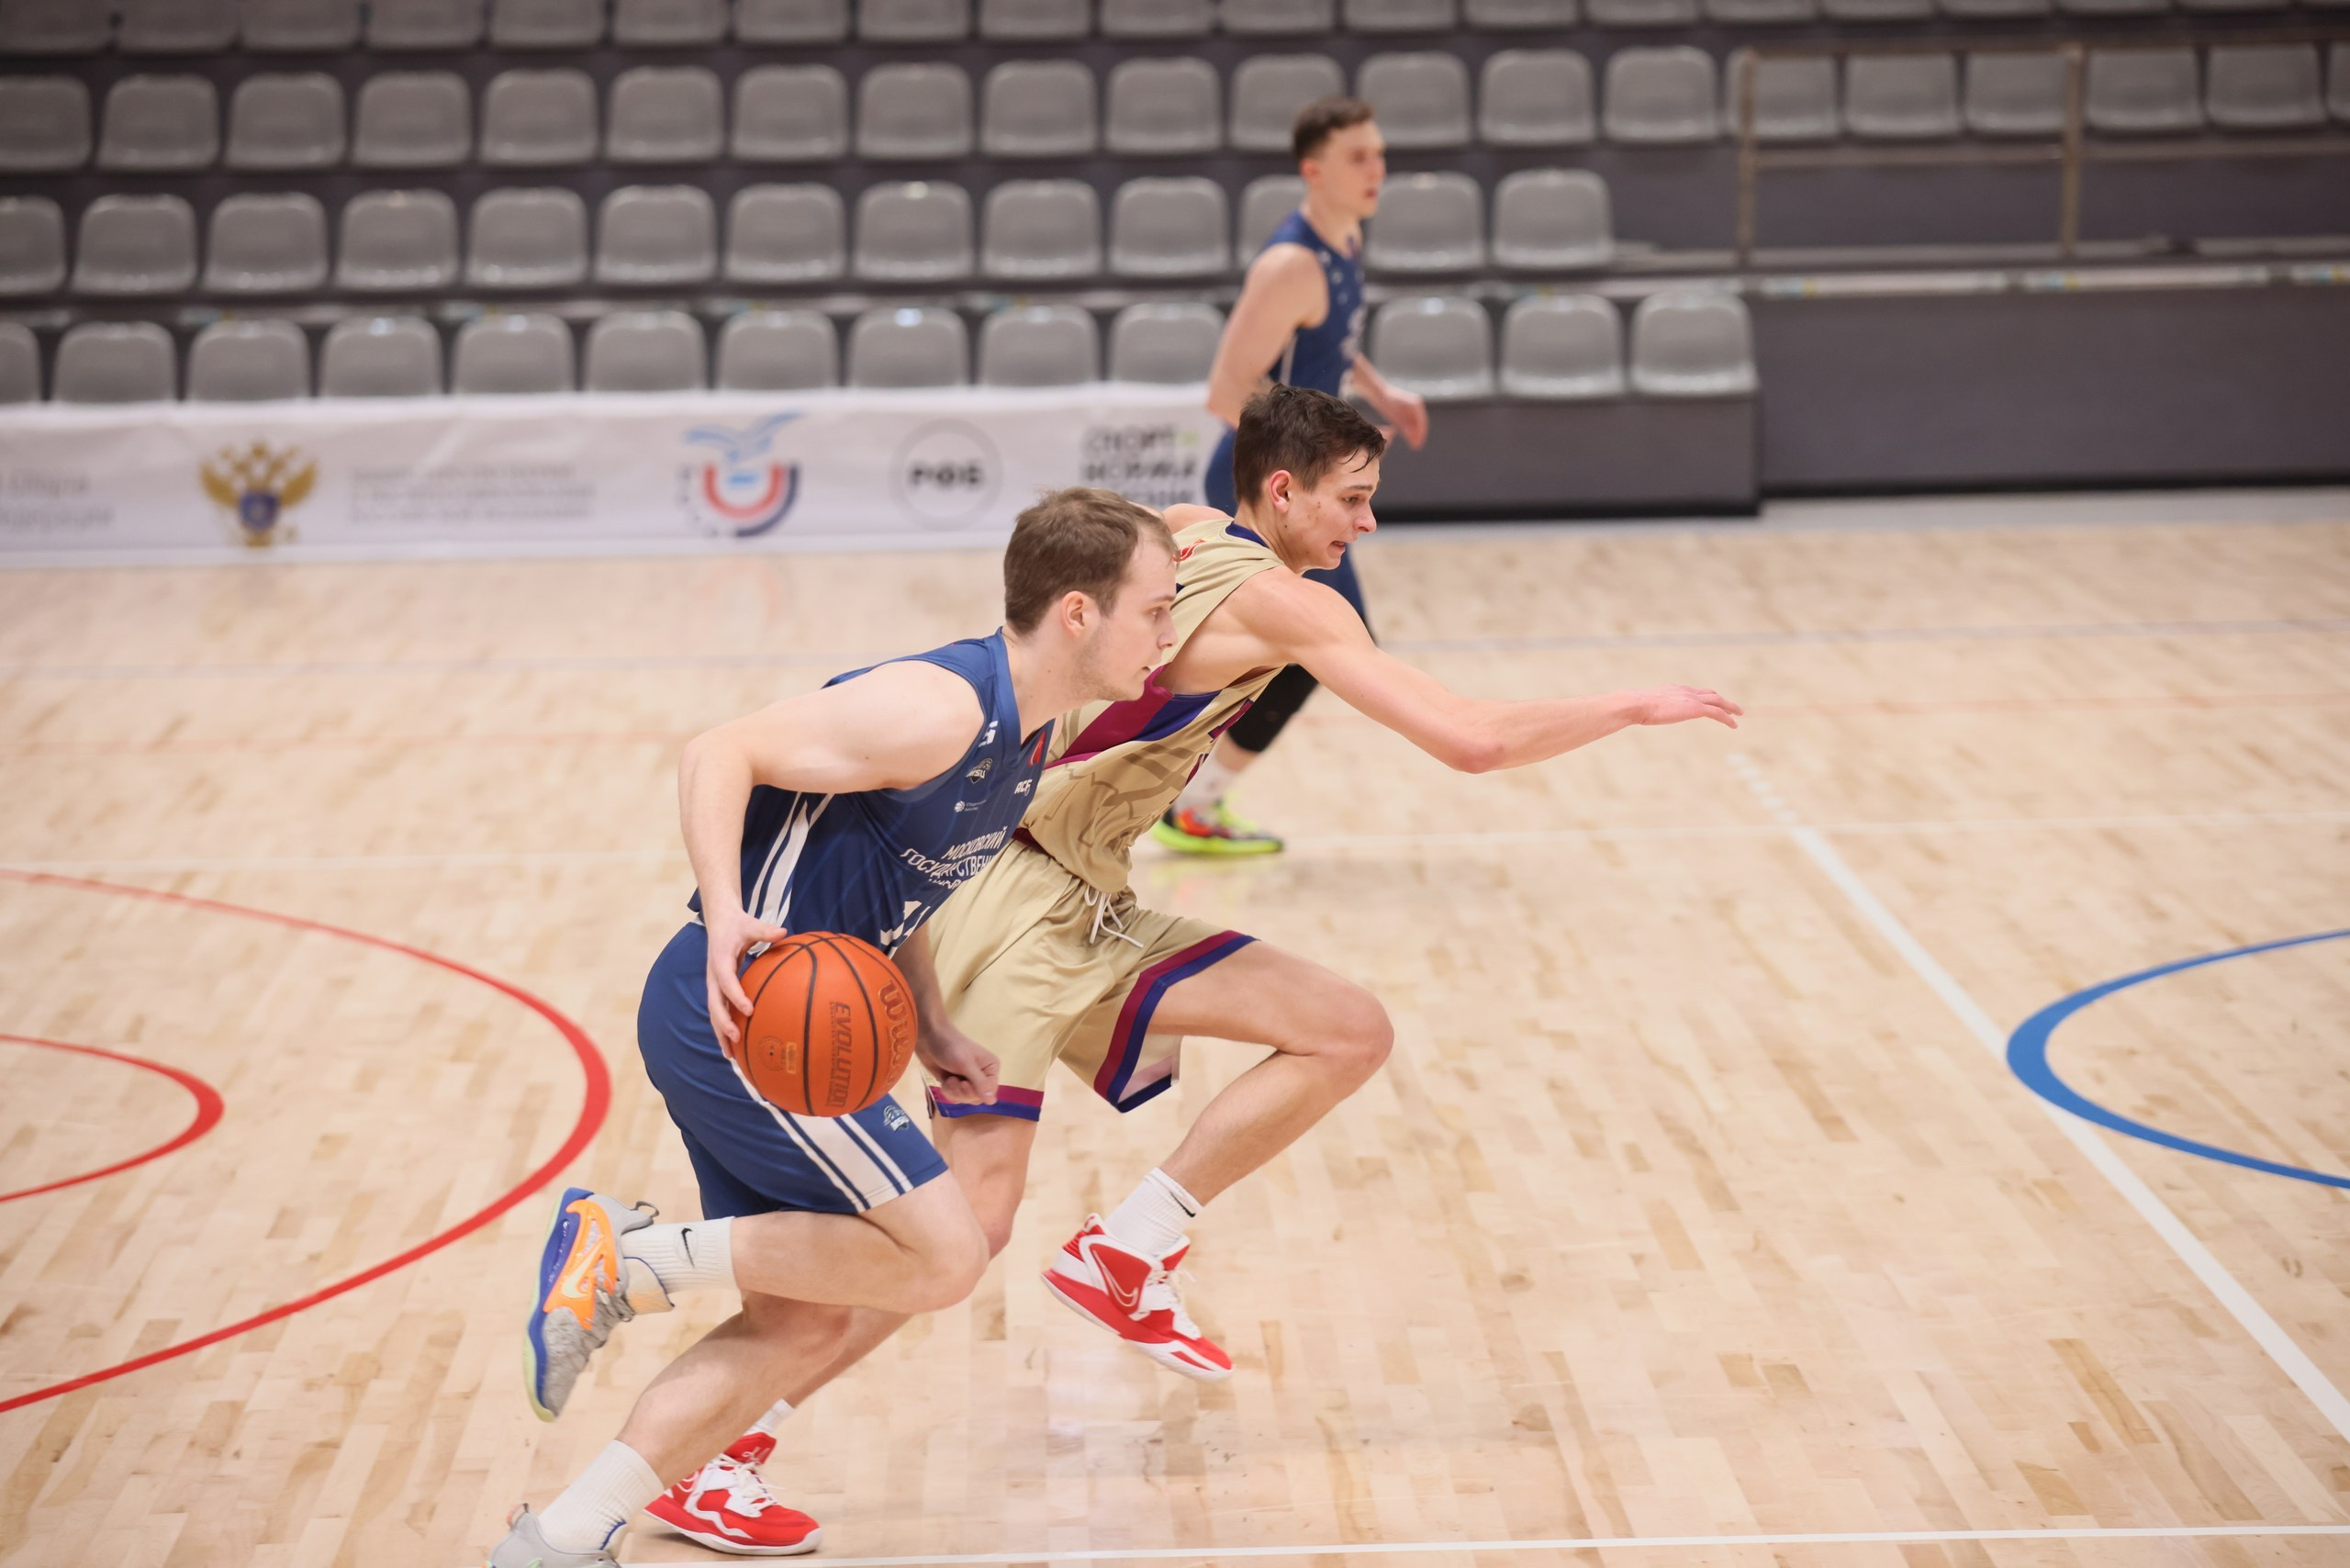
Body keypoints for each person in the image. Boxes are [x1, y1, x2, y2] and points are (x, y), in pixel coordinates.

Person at [665, 385, 1740, 1544]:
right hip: (1010, 897)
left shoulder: (1176, 529)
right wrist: (1628, 702)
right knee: (962, 1232)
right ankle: (717, 1449)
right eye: (1354, 499)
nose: (1365, 526)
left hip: (1081, 889)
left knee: (1344, 1026)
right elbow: (1469, 741)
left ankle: (1129, 1245)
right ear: (1281, 489)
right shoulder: (1288, 603)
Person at [483, 488, 1181, 1567]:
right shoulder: (941, 706)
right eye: (1157, 609)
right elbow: (719, 750)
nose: (1169, 635)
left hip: (792, 1023)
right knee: (948, 1254)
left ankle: (559, 1536)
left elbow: (902, 884)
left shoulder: (1035, 731)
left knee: (800, 1321)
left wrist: (936, 1024)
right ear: (1080, 612)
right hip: (747, 1012)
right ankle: (628, 1258)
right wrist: (723, 912)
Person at [1159, 95, 1427, 857]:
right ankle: (1180, 798)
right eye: (1358, 157)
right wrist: (1319, 450)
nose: (1376, 168)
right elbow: (1225, 392)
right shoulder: (1290, 264)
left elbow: (1329, 340)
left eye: (1378, 153)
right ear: (1313, 170)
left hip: (1305, 483)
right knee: (1320, 649)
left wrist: (1379, 393)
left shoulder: (1344, 238)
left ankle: (1185, 797)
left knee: (1309, 649)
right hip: (1261, 487)